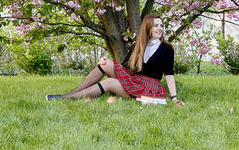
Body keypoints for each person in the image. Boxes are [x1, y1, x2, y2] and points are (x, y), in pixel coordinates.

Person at [46, 15, 184, 105]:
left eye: (161, 25)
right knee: (106, 63)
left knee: (109, 82)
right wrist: (105, 59)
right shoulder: (138, 46)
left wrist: (174, 98)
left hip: (148, 88)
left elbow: (169, 74)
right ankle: (72, 93)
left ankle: (65, 98)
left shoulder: (167, 49)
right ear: (147, 27)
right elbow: (124, 66)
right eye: (155, 25)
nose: (159, 28)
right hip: (134, 79)